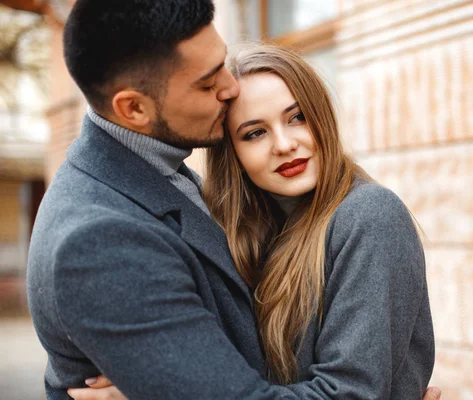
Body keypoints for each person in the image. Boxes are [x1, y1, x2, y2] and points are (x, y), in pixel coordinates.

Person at [26, 0, 441, 399]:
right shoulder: (102, 238)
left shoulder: (367, 216)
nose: (229, 89)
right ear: (133, 108)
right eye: (207, 82)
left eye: (297, 116)